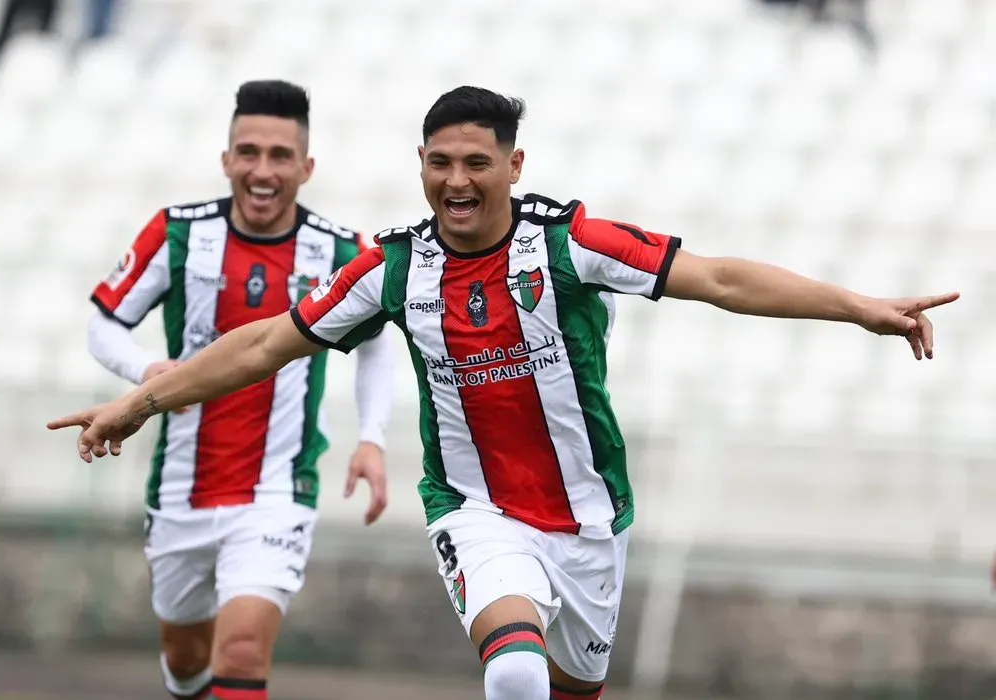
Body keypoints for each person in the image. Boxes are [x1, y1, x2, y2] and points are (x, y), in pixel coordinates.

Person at [49, 86, 958, 700]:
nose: (456, 181)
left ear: (513, 168)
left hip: (592, 521)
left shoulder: (573, 245)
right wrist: (142, 399)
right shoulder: (394, 265)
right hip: (478, 511)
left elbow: (719, 280)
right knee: (513, 676)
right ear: (420, 164)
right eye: (440, 162)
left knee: (568, 688)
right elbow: (264, 346)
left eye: (476, 163)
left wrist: (858, 309)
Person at [82, 79, 395, 700]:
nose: (262, 169)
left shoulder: (338, 250)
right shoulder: (178, 233)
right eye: (248, 152)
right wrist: (145, 371)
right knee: (186, 660)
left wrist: (370, 437)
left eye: (280, 156)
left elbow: (379, 339)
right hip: (181, 488)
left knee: (245, 651)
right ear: (227, 160)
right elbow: (103, 322)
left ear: (306, 168)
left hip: (276, 490)